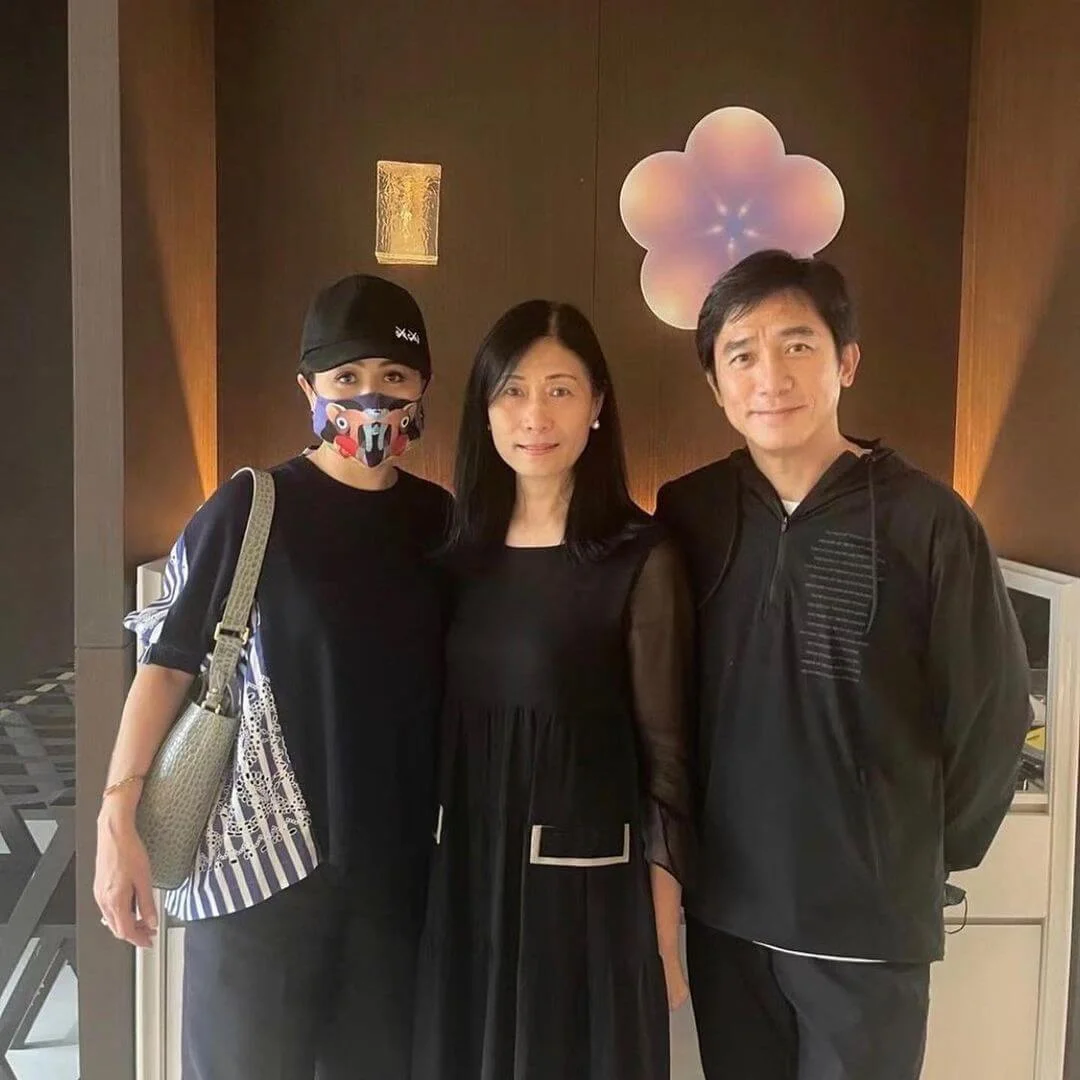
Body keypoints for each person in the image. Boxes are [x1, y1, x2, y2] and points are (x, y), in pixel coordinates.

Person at [655, 249, 1031, 1080]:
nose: (770, 377)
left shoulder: (927, 521)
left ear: (847, 361)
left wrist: (914, 853)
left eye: (798, 345)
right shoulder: (690, 513)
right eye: (741, 354)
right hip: (728, 918)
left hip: (865, 929)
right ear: (716, 384)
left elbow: (991, 717)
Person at [93, 274, 451, 1079]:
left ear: (422, 388)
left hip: (396, 886)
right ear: (308, 389)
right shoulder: (252, 509)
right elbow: (167, 668)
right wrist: (117, 818)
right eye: (346, 377)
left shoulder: (441, 523)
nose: (371, 399)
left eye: (394, 376)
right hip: (260, 874)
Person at [412, 300, 693, 1080]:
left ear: (598, 405)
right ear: (484, 409)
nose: (535, 415)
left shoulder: (640, 556)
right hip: (468, 883)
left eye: (560, 390)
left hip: (585, 905)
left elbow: (669, 768)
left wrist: (662, 940)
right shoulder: (454, 556)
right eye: (512, 390)